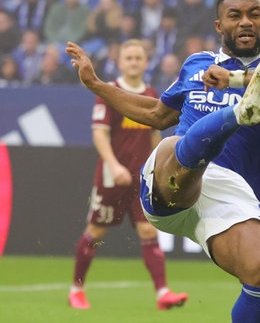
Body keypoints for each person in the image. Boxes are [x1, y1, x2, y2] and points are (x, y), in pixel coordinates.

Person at [67, 0, 260, 323]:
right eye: (235, 15)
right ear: (218, 25)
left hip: (231, 196)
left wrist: (241, 80)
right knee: (174, 147)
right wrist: (96, 84)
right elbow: (156, 114)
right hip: (174, 176)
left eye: (254, 15)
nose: (245, 22)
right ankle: (239, 115)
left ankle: (236, 115)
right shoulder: (197, 64)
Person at [68, 39, 188, 310]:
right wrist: (114, 165)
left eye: (138, 58)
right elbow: (100, 133)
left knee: (148, 230)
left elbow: (155, 133)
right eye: (129, 58)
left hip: (142, 177)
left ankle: (162, 293)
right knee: (97, 230)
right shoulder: (110, 92)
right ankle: (76, 289)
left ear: (146, 63)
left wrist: (160, 167)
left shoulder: (151, 93)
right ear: (120, 62)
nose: (134, 62)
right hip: (113, 176)